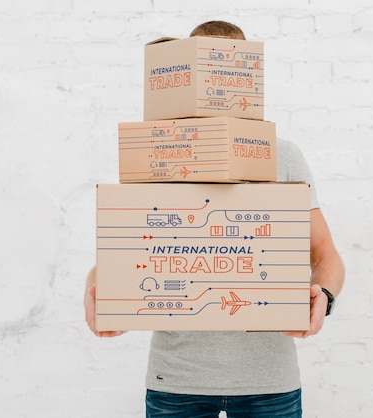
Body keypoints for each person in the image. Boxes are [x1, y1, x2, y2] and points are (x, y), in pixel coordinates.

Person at [84, 20, 345, 417]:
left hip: (268, 382)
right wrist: (99, 294)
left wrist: (322, 298)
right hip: (177, 381)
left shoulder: (283, 155)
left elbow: (325, 254)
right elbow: (126, 249)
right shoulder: (159, 152)